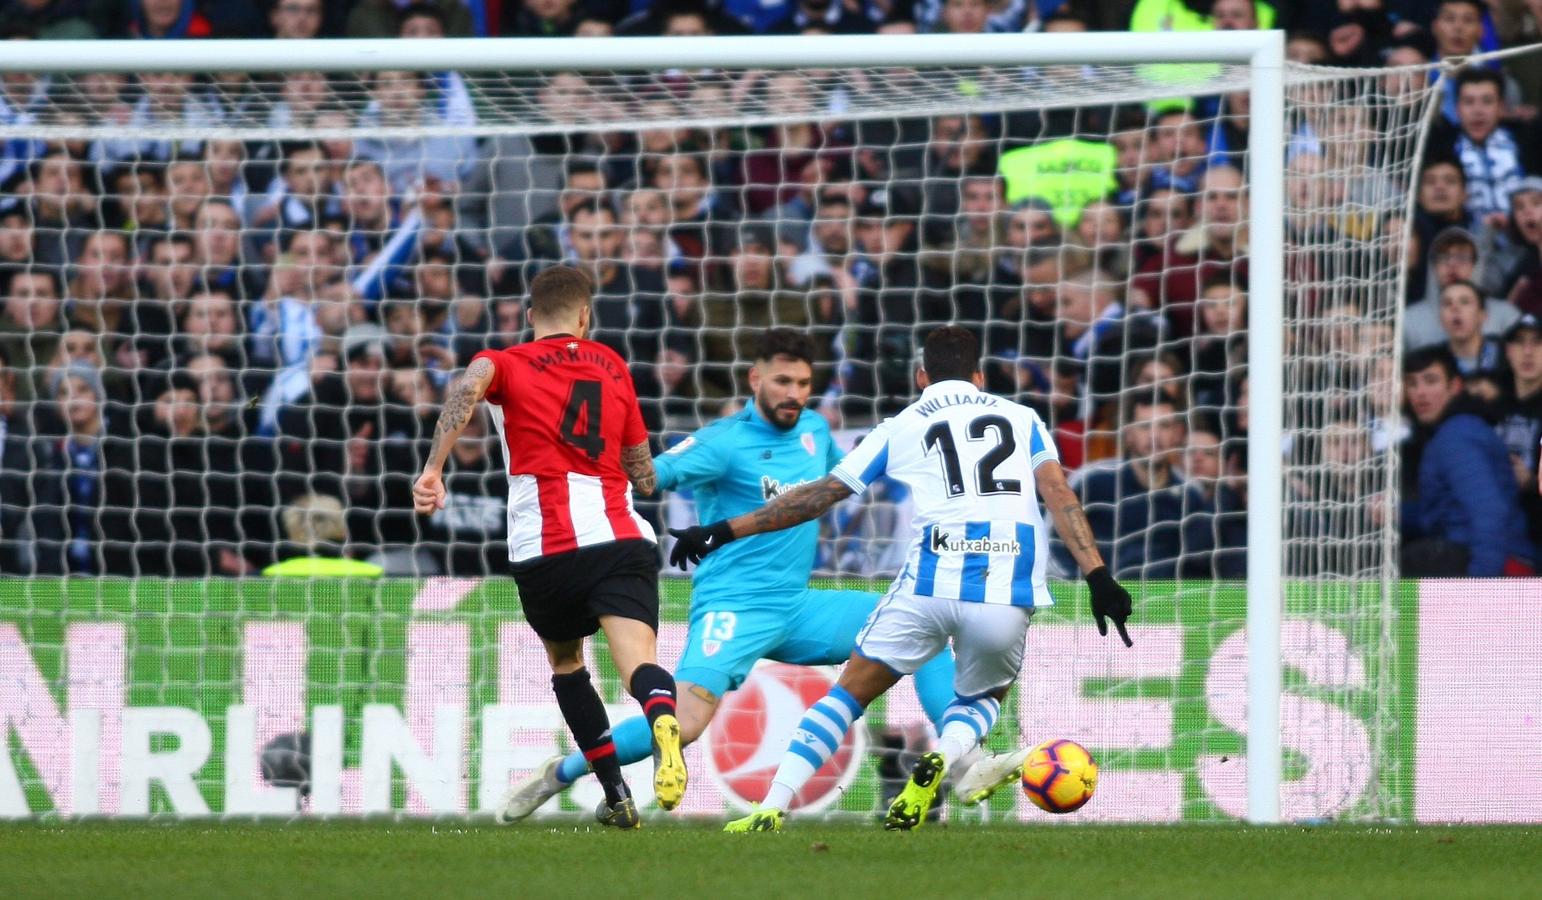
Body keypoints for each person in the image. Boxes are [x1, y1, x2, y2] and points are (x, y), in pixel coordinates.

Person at [669, 326, 1134, 833]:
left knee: (848, 694)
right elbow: (1059, 495)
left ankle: (772, 806)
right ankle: (944, 757)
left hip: (931, 579)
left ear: (921, 376)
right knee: (981, 700)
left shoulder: (904, 423)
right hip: (1008, 583)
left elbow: (820, 495)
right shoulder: (1023, 420)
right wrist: (1099, 576)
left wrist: (723, 529)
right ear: (979, 377)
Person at [494, 328, 959, 824]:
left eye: (804, 383)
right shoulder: (721, 442)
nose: (794, 394)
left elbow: (832, 488)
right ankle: (562, 772)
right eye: (782, 381)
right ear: (755, 378)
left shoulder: (816, 432)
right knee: (686, 724)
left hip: (799, 606)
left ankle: (958, 756)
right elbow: (648, 474)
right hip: (732, 608)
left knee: (923, 628)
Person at [412, 266, 685, 829]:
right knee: (640, 663)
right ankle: (661, 714)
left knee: (567, 664)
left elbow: (468, 386)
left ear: (530, 315)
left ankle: (616, 794)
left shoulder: (504, 360)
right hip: (619, 535)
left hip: (544, 545)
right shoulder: (613, 366)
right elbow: (643, 475)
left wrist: (434, 469)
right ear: (585, 316)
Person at [1400, 346, 1533, 576]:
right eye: (1412, 383)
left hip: (1500, 564)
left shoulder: (1457, 435)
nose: (1420, 392)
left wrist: (1479, 587)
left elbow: (1490, 512)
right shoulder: (1453, 431)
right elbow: (1445, 512)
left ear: (1455, 387)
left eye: (1430, 381)